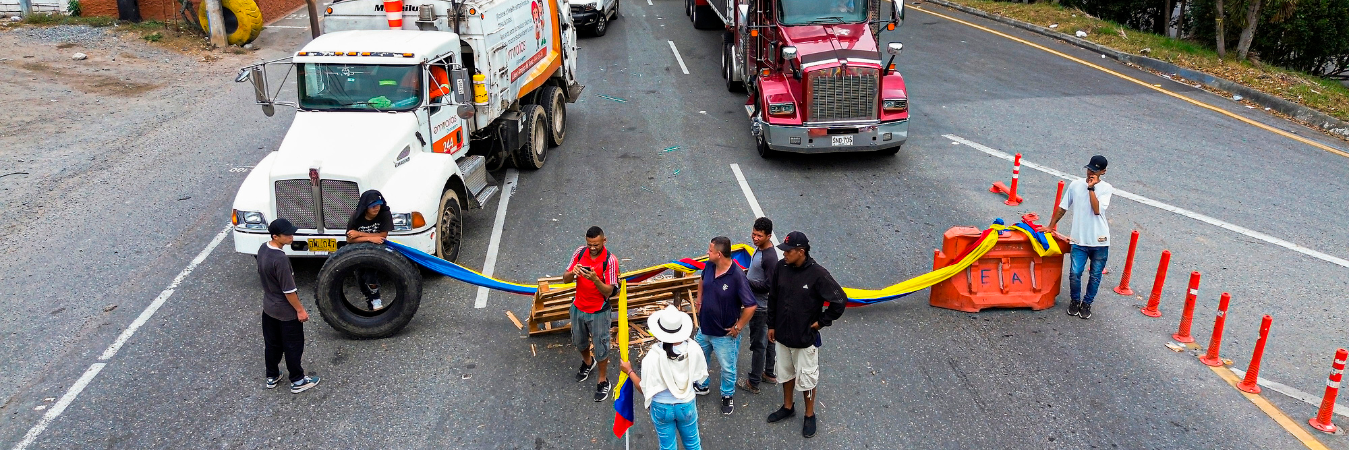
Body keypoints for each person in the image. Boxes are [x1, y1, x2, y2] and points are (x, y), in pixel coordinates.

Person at [766, 231, 845, 438]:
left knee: (808, 379)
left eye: (788, 251)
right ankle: (788, 406)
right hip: (782, 335)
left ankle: (809, 415)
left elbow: (839, 300)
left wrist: (821, 323)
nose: (784, 255)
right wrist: (771, 324)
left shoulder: (818, 274)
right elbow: (773, 297)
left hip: (805, 339)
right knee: (785, 373)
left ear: (801, 252)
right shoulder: (780, 268)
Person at [618, 306, 709, 450]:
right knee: (693, 444)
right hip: (686, 404)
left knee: (667, 447)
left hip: (661, 407)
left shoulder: (653, 356)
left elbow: (644, 388)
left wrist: (629, 371)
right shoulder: (694, 348)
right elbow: (700, 376)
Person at [692, 236, 756, 415]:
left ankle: (727, 395)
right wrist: (699, 300)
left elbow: (751, 306)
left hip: (724, 335)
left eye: (710, 250)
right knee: (699, 357)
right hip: (705, 328)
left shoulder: (736, 276)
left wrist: (738, 327)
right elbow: (702, 281)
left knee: (728, 368)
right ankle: (702, 384)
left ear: (719, 254)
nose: (707, 252)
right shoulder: (710, 265)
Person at [1046, 155, 1114, 320]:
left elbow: (1097, 210)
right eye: (1090, 169)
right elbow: (1063, 207)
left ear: (1103, 172)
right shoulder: (1076, 185)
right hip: (1079, 240)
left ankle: (1087, 303)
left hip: (1100, 241)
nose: (1091, 172)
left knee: (1095, 275)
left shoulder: (1106, 188)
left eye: (1095, 170)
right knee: (1075, 273)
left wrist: (1091, 189)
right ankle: (1075, 301)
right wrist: (1050, 226)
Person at [257, 218, 321, 394]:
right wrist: (300, 310)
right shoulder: (280, 259)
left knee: (272, 344)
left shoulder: (263, 249)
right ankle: (298, 380)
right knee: (293, 345)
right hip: (285, 311)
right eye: (287, 234)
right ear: (276, 236)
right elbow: (289, 290)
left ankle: (272, 375)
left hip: (268, 308)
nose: (291, 236)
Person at [561, 226, 620, 402]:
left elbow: (609, 291)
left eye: (596, 244)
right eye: (589, 244)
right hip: (578, 307)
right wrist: (573, 272)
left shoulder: (610, 261)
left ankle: (603, 380)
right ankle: (588, 362)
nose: (592, 248)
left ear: (604, 240)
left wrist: (595, 279)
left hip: (599, 312)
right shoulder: (580, 252)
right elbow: (565, 279)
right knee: (579, 341)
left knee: (601, 347)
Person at [738, 217, 779, 395]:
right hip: (763, 306)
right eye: (753, 234)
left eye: (759, 236)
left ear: (769, 236)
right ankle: (769, 373)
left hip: (760, 307)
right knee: (769, 341)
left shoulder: (770, 258)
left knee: (758, 345)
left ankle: (753, 381)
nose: (754, 238)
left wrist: (746, 281)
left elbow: (769, 286)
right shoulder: (761, 249)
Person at [346, 190, 393, 310]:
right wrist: (369, 238)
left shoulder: (385, 214)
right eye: (373, 206)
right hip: (358, 249)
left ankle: (376, 299)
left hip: (377, 249)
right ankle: (370, 298)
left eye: (379, 204)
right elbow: (349, 239)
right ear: (366, 206)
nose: (376, 208)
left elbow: (382, 236)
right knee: (360, 276)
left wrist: (359, 234)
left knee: (370, 274)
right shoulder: (356, 216)